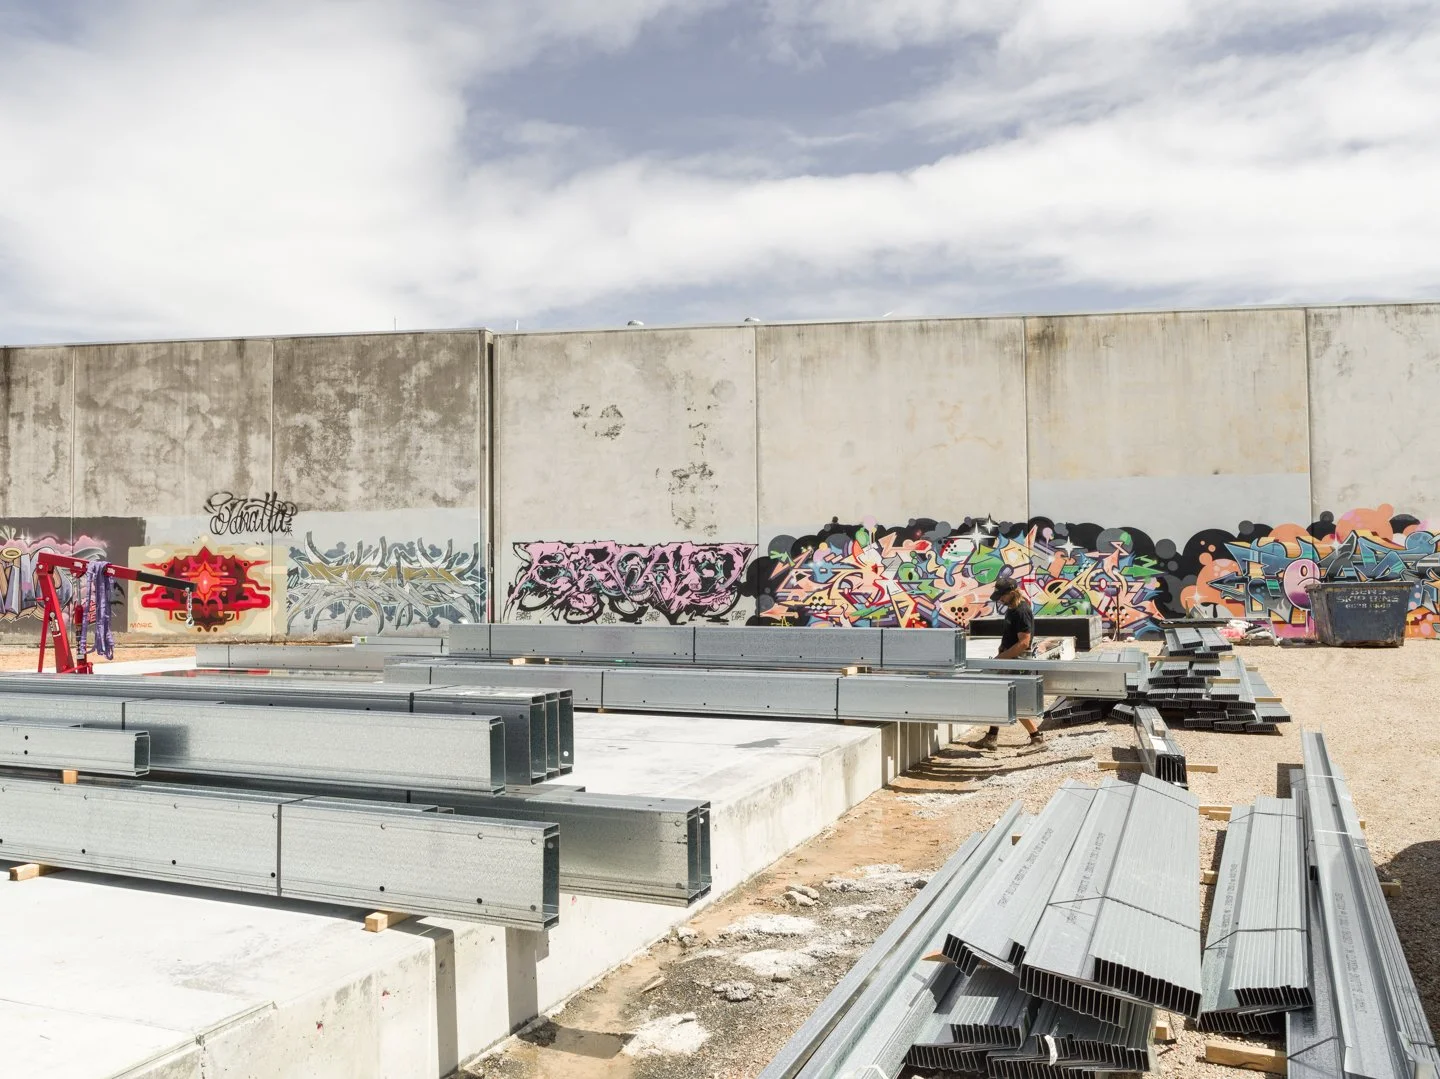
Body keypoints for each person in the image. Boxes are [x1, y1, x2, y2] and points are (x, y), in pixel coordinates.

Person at [975, 576, 1045, 750]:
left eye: (1002, 596)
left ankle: (1037, 738)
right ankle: (991, 737)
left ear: (1012, 593)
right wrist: (1002, 651)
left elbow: (1024, 643)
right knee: (999, 696)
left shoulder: (1021, 611)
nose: (1000, 599)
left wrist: (1000, 659)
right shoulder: (1012, 609)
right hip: (1009, 659)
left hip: (1017, 662)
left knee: (1014, 701)